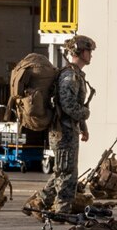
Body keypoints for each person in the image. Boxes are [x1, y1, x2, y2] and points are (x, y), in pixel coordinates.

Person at [35, 35, 95, 213]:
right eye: (89, 51)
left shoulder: (76, 75)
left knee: (63, 170)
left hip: (68, 130)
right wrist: (85, 113)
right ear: (81, 52)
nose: (91, 55)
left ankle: (40, 202)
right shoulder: (69, 76)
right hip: (63, 131)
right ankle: (61, 209)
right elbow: (68, 104)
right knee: (67, 173)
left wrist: (83, 127)